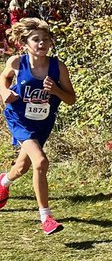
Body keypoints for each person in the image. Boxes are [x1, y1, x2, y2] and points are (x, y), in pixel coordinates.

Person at [0, 18, 77, 233]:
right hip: (19, 119)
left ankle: (3, 183)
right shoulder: (17, 63)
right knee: (41, 162)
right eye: (36, 39)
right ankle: (46, 218)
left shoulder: (58, 67)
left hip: (43, 123)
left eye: (46, 39)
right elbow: (3, 79)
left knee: (22, 167)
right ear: (25, 43)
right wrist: (5, 92)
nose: (41, 43)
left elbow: (71, 99)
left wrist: (56, 91)